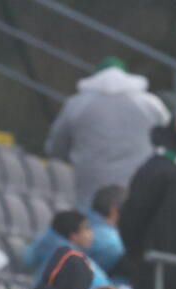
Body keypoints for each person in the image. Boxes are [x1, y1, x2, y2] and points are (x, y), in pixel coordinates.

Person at [44, 61, 167, 204]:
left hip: (90, 191)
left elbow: (56, 148)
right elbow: (168, 140)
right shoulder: (150, 104)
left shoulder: (76, 105)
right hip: (140, 188)